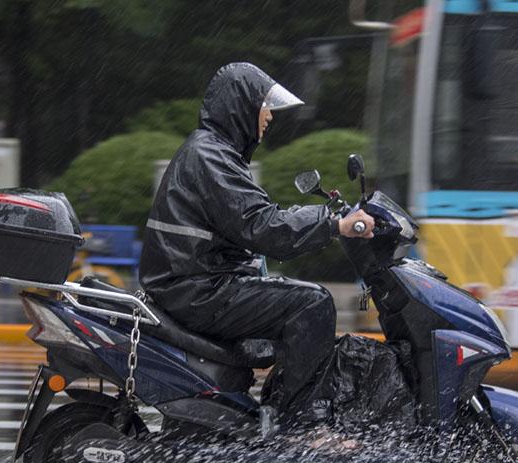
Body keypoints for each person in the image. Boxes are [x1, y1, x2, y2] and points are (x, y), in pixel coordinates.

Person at [138, 62, 374, 431]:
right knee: (311, 304)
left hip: (194, 283)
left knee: (286, 298)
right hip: (198, 290)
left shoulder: (212, 152)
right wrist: (332, 224)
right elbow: (261, 226)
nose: (269, 117)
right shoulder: (210, 157)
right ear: (241, 106)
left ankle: (266, 417)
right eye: (264, 107)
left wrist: (319, 218)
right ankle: (299, 427)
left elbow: (256, 216)